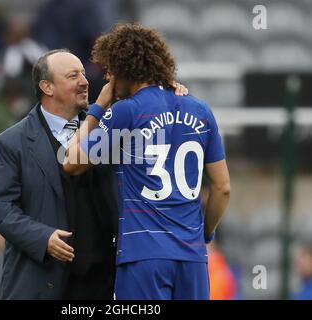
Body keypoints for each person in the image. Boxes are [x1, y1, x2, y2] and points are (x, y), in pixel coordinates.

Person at [0, 48, 188, 299]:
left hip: (104, 281)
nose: (84, 81)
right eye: (73, 76)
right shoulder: (11, 142)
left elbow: (158, 119)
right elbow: (0, 208)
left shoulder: (109, 122)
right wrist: (42, 237)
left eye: (83, 73)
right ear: (47, 87)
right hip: (41, 280)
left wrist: (171, 94)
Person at [63, 23, 231, 300]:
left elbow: (71, 161)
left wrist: (98, 107)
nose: (108, 79)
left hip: (144, 255)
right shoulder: (201, 110)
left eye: (110, 71)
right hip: (193, 257)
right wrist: (206, 232)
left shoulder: (126, 112)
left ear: (122, 69)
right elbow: (223, 188)